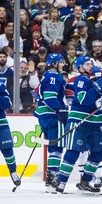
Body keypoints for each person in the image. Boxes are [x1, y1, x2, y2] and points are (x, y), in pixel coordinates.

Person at [51, 55, 102, 195]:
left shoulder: (100, 80)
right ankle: (61, 181)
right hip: (79, 122)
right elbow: (84, 100)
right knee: (73, 151)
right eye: (87, 64)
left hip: (94, 124)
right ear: (80, 68)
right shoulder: (81, 80)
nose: (90, 66)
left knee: (98, 152)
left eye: (91, 63)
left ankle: (85, 181)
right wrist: (97, 86)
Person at [34, 53, 68, 193]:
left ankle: (51, 177)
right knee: (57, 147)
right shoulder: (54, 77)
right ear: (54, 64)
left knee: (53, 146)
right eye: (60, 62)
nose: (62, 64)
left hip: (44, 116)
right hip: (52, 115)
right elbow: (49, 96)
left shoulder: (46, 76)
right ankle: (53, 177)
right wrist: (60, 110)